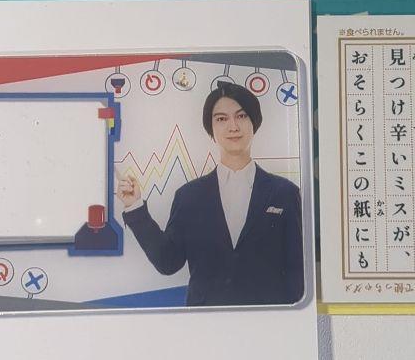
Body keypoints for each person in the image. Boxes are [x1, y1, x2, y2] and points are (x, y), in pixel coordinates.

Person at [117, 83, 304, 306]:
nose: (233, 126)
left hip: (266, 321)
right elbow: (168, 262)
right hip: (204, 321)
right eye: (221, 119)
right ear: (211, 130)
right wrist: (135, 207)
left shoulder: (285, 193)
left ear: (254, 123)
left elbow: (297, 273)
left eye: (241, 116)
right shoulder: (189, 196)